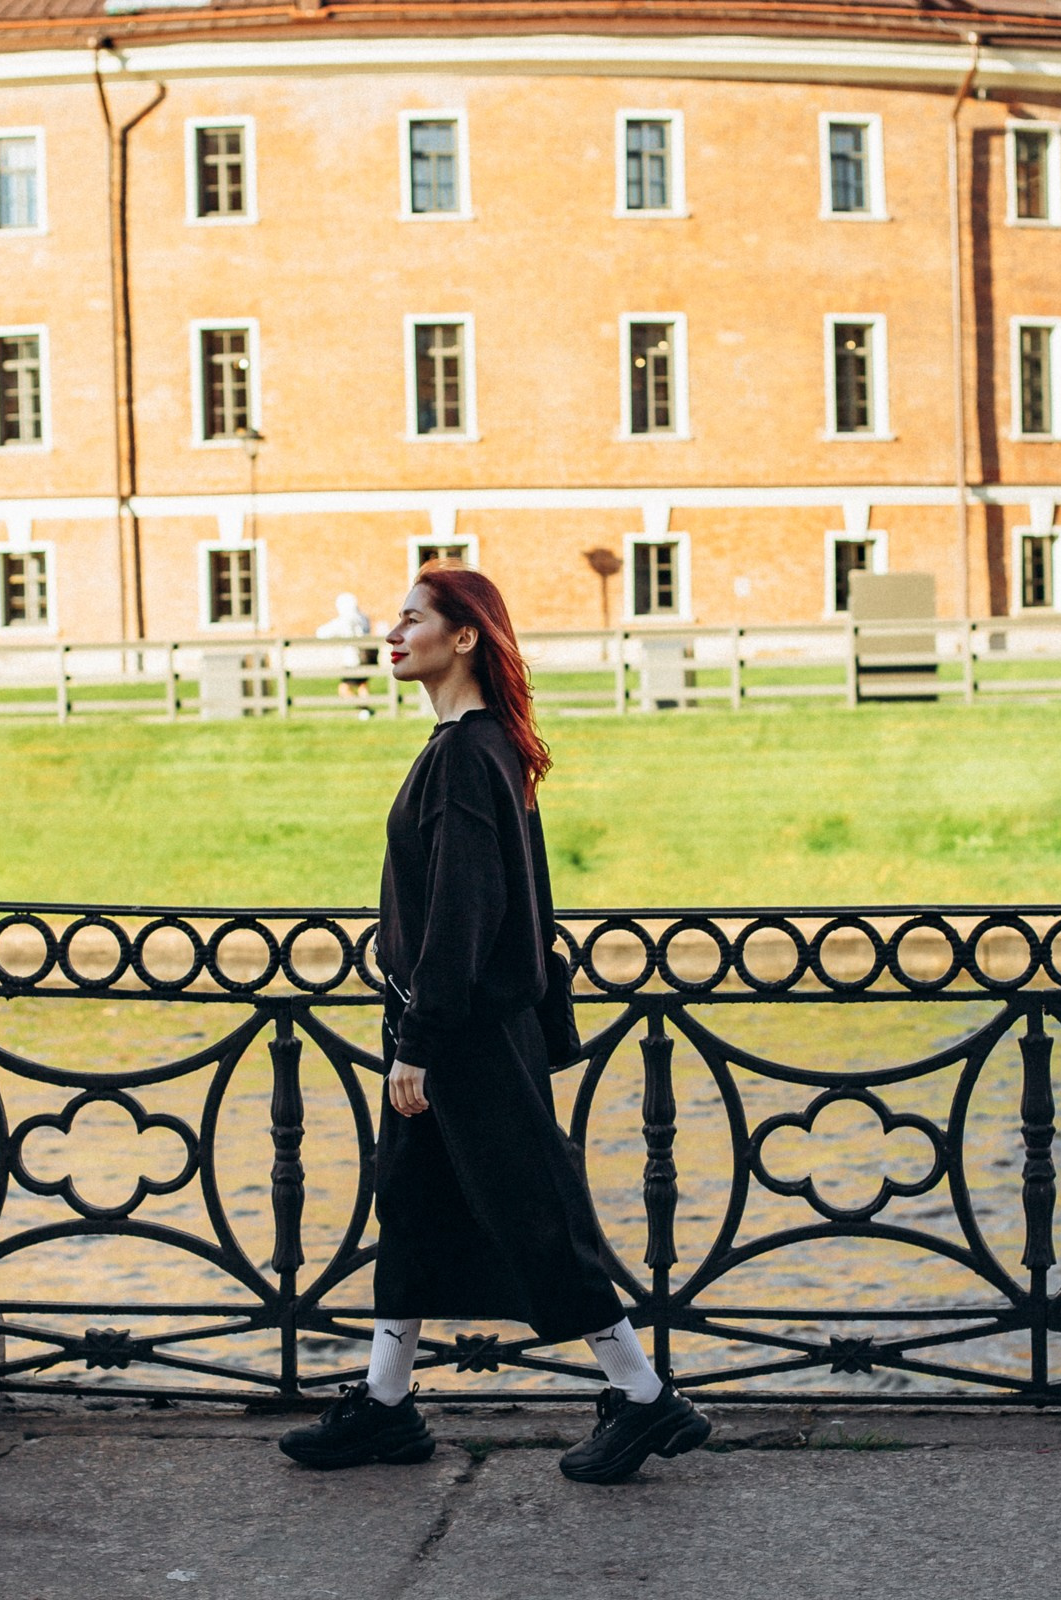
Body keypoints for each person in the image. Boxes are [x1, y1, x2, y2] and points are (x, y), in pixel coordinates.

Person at [277, 561, 710, 1484]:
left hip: (461, 1036)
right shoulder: (476, 751)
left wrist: (419, 1047)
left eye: (410, 621)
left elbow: (462, 915)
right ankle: (387, 1408)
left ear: (462, 637)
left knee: (535, 1215)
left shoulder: (470, 756)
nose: (391, 637)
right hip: (460, 1026)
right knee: (414, 1209)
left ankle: (644, 1398)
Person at [314, 592, 377, 706]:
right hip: (367, 658)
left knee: (344, 689)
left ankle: (364, 709)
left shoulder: (344, 620)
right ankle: (367, 711)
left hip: (353, 660)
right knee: (362, 685)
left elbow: (322, 633)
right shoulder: (363, 618)